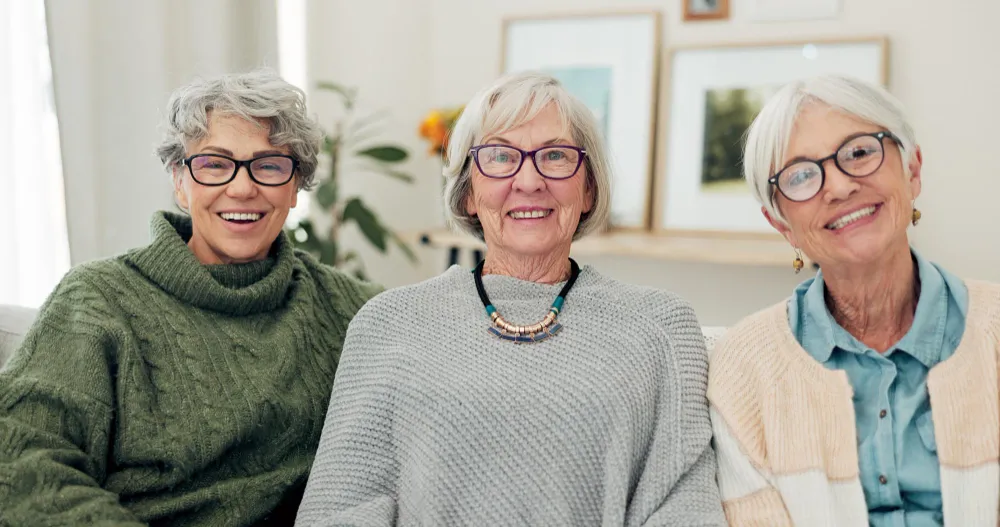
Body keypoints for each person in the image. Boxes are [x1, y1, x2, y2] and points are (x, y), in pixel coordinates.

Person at [294, 71, 726, 526]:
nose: (529, 180)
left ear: (589, 189)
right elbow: (338, 509)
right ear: (468, 195)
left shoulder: (659, 326)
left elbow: (685, 508)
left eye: (556, 156)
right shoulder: (388, 323)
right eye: (500, 157)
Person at [0, 69, 382, 525]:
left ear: (295, 187)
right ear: (180, 181)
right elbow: (21, 459)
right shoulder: (97, 300)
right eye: (215, 164)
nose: (242, 188)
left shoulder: (354, 310)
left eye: (269, 165)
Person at [708, 74, 1000, 525]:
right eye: (801, 175)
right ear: (781, 223)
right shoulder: (742, 372)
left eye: (860, 152)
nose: (840, 187)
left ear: (913, 170)